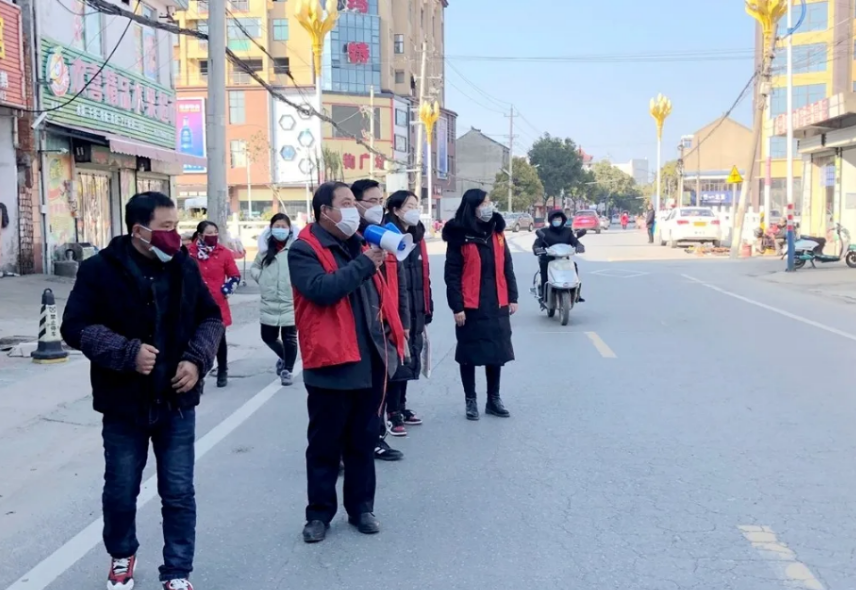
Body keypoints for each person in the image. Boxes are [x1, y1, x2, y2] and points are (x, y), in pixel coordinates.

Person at [60, 192, 223, 590]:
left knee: (178, 492)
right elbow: (74, 327)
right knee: (120, 490)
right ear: (139, 231)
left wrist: (196, 360)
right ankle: (122, 554)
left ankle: (178, 570)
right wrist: (125, 352)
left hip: (176, 402)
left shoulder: (183, 266)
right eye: (166, 228)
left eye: (177, 226)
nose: (175, 235)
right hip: (123, 404)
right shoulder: (99, 270)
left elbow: (211, 317)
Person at [288, 181, 406, 543]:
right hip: (330, 362)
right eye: (346, 203)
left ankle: (361, 508)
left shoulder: (358, 243)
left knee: (363, 442)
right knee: (324, 445)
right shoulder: (304, 249)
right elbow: (322, 290)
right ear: (325, 211)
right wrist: (363, 264)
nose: (354, 210)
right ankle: (319, 514)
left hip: (367, 359)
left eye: (355, 203)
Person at [442, 189, 518, 421]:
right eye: (483, 203)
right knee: (469, 353)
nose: (488, 206)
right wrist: (457, 307)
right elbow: (452, 274)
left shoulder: (496, 231)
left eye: (489, 202)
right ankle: (471, 400)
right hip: (470, 305)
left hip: (496, 302)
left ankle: (493, 399)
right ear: (472, 206)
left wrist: (512, 297)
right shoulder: (459, 235)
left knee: (496, 352)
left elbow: (507, 265)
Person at [351, 178, 408, 461]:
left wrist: (401, 322)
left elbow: (400, 282)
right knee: (358, 393)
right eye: (371, 201)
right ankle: (353, 445)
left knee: (379, 388)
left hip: (385, 322)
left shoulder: (385, 234)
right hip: (361, 326)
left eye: (379, 201)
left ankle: (375, 438)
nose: (377, 207)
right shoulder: (351, 240)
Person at [384, 190, 433, 436]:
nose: (414, 210)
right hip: (396, 307)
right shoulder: (388, 237)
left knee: (410, 357)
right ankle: (391, 411)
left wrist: (427, 306)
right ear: (395, 210)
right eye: (408, 206)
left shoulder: (417, 235)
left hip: (415, 306)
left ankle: (401, 406)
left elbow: (424, 275)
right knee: (397, 360)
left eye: (416, 205)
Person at [188, 220, 241, 388]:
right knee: (195, 340)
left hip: (217, 304)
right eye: (209, 233)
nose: (213, 236)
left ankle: (223, 370)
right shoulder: (189, 254)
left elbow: (234, 275)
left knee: (219, 340)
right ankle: (199, 374)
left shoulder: (224, 253)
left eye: (215, 233)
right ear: (200, 235)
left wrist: (226, 289)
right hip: (194, 304)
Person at [250, 213, 298, 387]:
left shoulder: (296, 248)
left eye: (283, 226)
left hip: (290, 301)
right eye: (277, 226)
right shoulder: (264, 249)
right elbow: (254, 267)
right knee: (268, 337)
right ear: (271, 228)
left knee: (290, 338)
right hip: (269, 301)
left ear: (290, 229)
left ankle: (287, 370)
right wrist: (261, 278)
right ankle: (285, 358)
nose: (280, 230)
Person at [532, 210, 585, 305]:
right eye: (555, 218)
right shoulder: (544, 232)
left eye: (559, 218)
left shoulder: (567, 231)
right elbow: (537, 244)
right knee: (544, 267)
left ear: (563, 220)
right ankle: (544, 294)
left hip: (563, 259)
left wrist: (579, 246)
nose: (557, 220)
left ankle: (575, 291)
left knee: (574, 265)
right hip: (548, 259)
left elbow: (575, 241)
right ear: (550, 220)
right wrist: (537, 249)